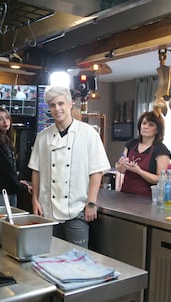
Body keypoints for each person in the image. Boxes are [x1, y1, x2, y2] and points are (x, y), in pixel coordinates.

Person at [28, 86, 110, 248]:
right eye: (52, 105)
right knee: (50, 256)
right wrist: (35, 199)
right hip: (47, 210)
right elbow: (36, 171)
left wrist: (91, 203)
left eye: (61, 103)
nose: (57, 109)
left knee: (79, 259)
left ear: (70, 104)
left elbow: (97, 171)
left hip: (77, 210)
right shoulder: (42, 137)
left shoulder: (88, 133)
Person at [0, 107, 32, 207]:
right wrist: (20, 186)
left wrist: (17, 181)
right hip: (0, 190)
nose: (5, 121)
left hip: (8, 188)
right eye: (0, 119)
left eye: (7, 118)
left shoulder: (5, 138)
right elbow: (6, 169)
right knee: (1, 221)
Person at [116, 111, 171, 197]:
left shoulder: (161, 150)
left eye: (151, 125)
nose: (146, 127)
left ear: (157, 130)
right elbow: (120, 169)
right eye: (144, 123)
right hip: (125, 194)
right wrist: (121, 165)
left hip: (147, 199)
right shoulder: (131, 144)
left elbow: (160, 179)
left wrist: (139, 171)